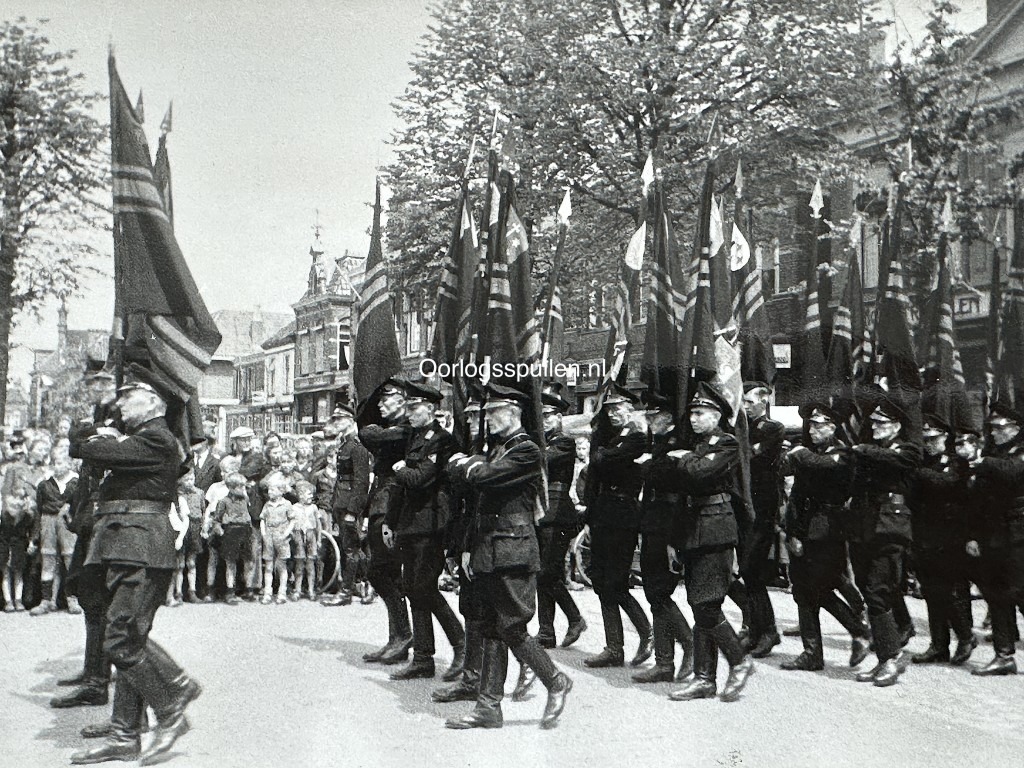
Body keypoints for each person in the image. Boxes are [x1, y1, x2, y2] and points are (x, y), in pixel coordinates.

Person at [67, 365, 200, 765]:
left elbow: (88, 449)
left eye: (129, 395)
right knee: (128, 637)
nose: (120, 402)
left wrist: (91, 431)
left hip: (141, 548)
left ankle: (173, 698)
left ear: (154, 401)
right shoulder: (142, 438)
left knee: (122, 639)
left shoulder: (157, 438)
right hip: (126, 546)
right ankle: (125, 734)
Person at [446, 383, 572, 730]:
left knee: (512, 626)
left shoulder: (527, 450)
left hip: (514, 550)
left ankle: (556, 681)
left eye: (493, 412)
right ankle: (488, 707)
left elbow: (484, 477)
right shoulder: (498, 449)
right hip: (489, 549)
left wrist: (467, 464)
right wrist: (468, 547)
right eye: (485, 413)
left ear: (513, 413)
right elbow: (477, 502)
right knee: (490, 627)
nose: (486, 418)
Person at [668, 383, 754, 703]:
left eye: (700, 413)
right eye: (692, 413)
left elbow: (700, 473)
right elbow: (681, 488)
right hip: (693, 531)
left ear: (716, 416)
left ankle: (739, 661)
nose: (693, 418)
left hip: (716, 530)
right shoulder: (698, 446)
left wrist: (684, 459)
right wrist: (674, 541)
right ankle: (704, 679)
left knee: (707, 604)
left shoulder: (727, 442)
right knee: (699, 605)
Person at [781, 402, 869, 672]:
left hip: (828, 530)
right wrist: (792, 532)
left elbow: (820, 466)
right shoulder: (809, 453)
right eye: (811, 425)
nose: (813, 430)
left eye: (819, 426)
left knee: (820, 587)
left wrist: (798, 453)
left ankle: (858, 630)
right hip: (804, 528)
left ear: (832, 427)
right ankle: (812, 653)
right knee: (803, 591)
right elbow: (796, 495)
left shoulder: (841, 453)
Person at [386, 380, 465, 681]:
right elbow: (403, 487)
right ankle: (422, 658)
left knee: (425, 588)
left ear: (430, 409)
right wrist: (390, 521)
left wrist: (399, 469)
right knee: (413, 590)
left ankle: (461, 645)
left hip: (432, 524)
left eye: (414, 408)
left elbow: (420, 479)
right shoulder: (414, 437)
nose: (408, 413)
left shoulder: (442, 441)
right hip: (411, 523)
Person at [52, 365, 118, 713]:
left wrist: (92, 432)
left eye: (97, 384)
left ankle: (97, 680)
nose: (92, 389)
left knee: (99, 600)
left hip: (104, 526)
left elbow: (79, 445)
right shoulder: (101, 417)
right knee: (91, 600)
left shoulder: (117, 420)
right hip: (90, 522)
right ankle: (93, 670)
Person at [848, 395, 921, 687]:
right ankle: (885, 657)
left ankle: (891, 658)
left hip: (890, 530)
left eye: (882, 423)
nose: (875, 427)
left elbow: (900, 460)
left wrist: (863, 450)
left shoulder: (906, 449)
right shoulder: (871, 451)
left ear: (897, 426)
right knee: (870, 591)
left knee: (878, 591)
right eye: (873, 423)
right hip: (864, 528)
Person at [582, 384, 653, 668]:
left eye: (618, 409)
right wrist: (589, 519)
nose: (613, 414)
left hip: (624, 514)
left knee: (617, 582)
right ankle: (614, 647)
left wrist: (604, 455)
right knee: (601, 582)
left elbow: (607, 459)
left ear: (630, 409)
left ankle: (647, 633)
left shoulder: (637, 437)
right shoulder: (608, 438)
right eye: (609, 410)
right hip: (602, 512)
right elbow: (595, 473)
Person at [631, 390, 694, 683]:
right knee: (653, 592)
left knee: (659, 591)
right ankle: (664, 663)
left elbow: (663, 477)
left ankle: (689, 645)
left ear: (667, 418)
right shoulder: (657, 444)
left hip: (668, 524)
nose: (648, 421)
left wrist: (648, 465)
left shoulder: (677, 443)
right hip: (651, 522)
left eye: (653, 416)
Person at [909, 412, 976, 665]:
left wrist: (918, 473)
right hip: (925, 535)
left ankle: (965, 636)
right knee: (931, 591)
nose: (929, 444)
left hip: (950, 536)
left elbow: (945, 483)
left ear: (945, 437)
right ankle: (939, 644)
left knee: (950, 591)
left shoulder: (956, 462)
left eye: (933, 439)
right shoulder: (923, 463)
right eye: (925, 440)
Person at [966, 402, 1024, 675]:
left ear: (1016, 428)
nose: (995, 433)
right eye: (992, 428)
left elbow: (1012, 472)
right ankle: (1004, 654)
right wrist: (974, 535)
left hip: (1019, 535)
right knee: (997, 593)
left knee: (1019, 591)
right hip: (995, 534)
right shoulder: (993, 454)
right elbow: (979, 498)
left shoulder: (1018, 452)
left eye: (1000, 428)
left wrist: (984, 463)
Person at [358, 379, 414, 664]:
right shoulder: (390, 429)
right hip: (381, 502)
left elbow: (372, 436)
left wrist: (372, 429)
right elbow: (369, 433)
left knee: (381, 571)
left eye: (385, 399)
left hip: (392, 505)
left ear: (402, 400)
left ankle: (403, 635)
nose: (380, 405)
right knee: (385, 573)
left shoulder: (406, 429)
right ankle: (397, 638)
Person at [535, 384, 586, 649]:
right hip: (542, 513)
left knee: (546, 573)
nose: (544, 421)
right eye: (541, 416)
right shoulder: (540, 441)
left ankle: (575, 618)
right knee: (545, 574)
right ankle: (546, 631)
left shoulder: (564, 442)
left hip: (557, 514)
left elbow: (542, 460)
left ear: (558, 417)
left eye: (548, 416)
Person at [738, 382, 785, 657]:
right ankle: (756, 630)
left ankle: (768, 630)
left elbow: (751, 456)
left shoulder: (772, 428)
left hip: (762, 510)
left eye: (749, 402)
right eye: (743, 401)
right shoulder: (742, 429)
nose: (745, 406)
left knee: (752, 569)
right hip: (745, 509)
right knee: (747, 572)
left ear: (763, 402)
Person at [322, 405, 371, 606]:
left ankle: (347, 591)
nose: (336, 423)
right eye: (335, 420)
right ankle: (367, 585)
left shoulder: (357, 447)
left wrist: (352, 511)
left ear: (351, 421)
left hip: (350, 504)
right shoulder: (344, 444)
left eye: (340, 419)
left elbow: (361, 482)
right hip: (341, 503)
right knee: (350, 548)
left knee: (351, 549)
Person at [30, 450, 80, 616]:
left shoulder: (76, 482)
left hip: (67, 523)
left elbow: (79, 505)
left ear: (69, 464)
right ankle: (46, 600)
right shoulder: (44, 484)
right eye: (55, 463)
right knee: (48, 559)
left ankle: (72, 599)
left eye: (60, 463)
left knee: (70, 558)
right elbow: (39, 509)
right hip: (48, 522)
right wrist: (35, 536)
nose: (57, 467)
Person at [201, 455, 242, 601]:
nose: (223, 474)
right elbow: (208, 508)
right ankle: (210, 589)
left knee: (230, 560)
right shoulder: (215, 487)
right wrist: (205, 524)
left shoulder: (238, 489)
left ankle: (230, 591)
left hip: (229, 526)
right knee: (213, 558)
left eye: (226, 472)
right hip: (214, 524)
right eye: (222, 471)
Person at [211, 472, 253, 605]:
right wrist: (221, 532)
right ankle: (230, 591)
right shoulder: (223, 501)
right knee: (231, 563)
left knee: (248, 561)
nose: (243, 489)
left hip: (245, 531)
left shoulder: (245, 500)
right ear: (230, 487)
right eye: (240, 487)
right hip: (231, 531)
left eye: (244, 486)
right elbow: (216, 520)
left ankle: (248, 589)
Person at [260, 474, 295, 605]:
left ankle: (282, 592)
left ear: (281, 491)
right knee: (268, 566)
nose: (270, 492)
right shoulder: (267, 505)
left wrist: (286, 534)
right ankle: (267, 593)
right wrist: (264, 533)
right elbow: (263, 519)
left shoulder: (287, 504)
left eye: (273, 489)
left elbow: (292, 521)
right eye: (269, 489)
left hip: (281, 538)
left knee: (281, 566)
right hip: (269, 537)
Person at [174, 468, 206, 605]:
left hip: (195, 527)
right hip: (182, 528)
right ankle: (178, 592)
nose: (190, 482)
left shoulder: (199, 493)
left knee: (191, 562)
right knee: (180, 563)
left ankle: (192, 591)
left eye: (192, 479)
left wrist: (203, 527)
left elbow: (203, 511)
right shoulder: (178, 494)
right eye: (187, 479)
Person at [290, 480, 321, 600]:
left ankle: (311, 590)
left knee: (310, 564)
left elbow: (318, 525)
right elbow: (291, 523)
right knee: (299, 563)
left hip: (311, 535)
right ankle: (297, 590)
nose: (311, 496)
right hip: (298, 536)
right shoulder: (294, 508)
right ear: (300, 495)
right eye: (309, 494)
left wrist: (318, 539)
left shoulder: (314, 508)